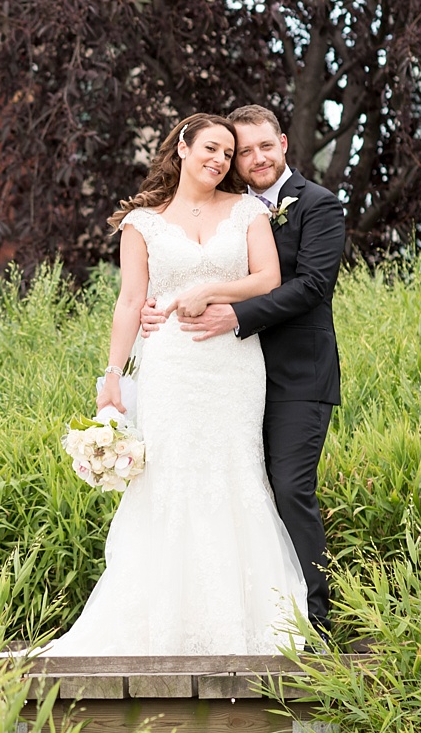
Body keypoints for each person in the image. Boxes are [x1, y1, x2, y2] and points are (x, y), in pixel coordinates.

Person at [39, 114, 308, 657]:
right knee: (170, 478)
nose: (220, 160)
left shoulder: (250, 211)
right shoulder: (143, 223)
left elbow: (268, 280)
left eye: (228, 154)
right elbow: (130, 302)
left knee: (236, 473)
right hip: (169, 369)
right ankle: (159, 626)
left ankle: (246, 626)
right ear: (182, 148)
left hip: (232, 366)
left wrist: (209, 290)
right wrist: (112, 375)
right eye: (211, 147)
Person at [143, 104, 345, 639]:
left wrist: (236, 314)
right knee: (228, 485)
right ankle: (222, 613)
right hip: (227, 374)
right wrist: (156, 305)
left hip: (298, 375)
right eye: (242, 150)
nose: (253, 158)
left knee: (288, 488)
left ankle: (316, 624)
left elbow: (312, 287)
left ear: (283, 143)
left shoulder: (319, 206)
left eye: (263, 146)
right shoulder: (225, 206)